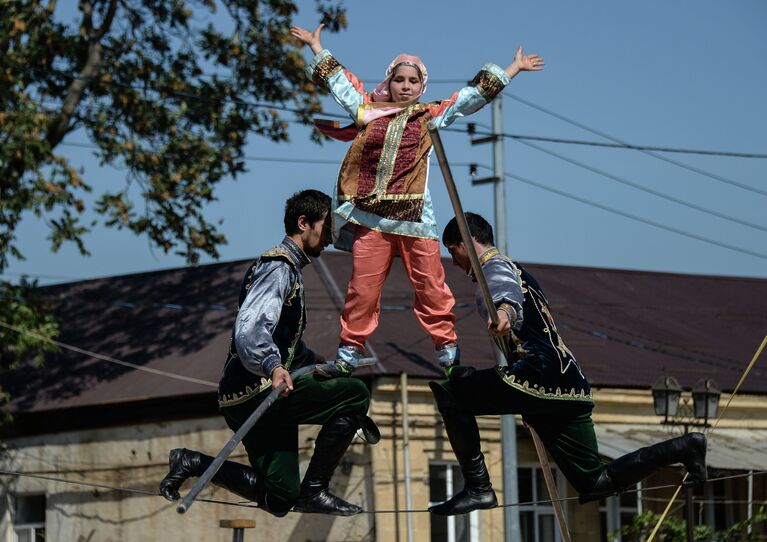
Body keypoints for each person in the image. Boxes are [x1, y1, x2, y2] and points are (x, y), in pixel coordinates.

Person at [290, 23, 545, 373]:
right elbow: (341, 85)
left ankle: (449, 357)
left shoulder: (430, 116)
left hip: (414, 220)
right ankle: (348, 355)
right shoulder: (368, 112)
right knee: (362, 290)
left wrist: (512, 69)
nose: (405, 86)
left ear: (421, 86)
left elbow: (468, 98)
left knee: (431, 289)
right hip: (370, 217)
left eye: (412, 81)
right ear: (389, 83)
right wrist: (317, 47)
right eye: (399, 80)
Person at [428, 212, 707, 515]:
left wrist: (505, 313)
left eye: (453, 250)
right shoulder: (523, 273)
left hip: (540, 376)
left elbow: (506, 294)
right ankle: (684, 447)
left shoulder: (494, 267)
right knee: (595, 482)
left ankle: (478, 488)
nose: (453, 262)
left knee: (452, 395)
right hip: (571, 387)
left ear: (467, 244)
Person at [159, 189, 378, 517]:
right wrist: (273, 366)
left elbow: (287, 344)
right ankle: (315, 490)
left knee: (280, 497)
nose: (330, 238)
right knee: (355, 394)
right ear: (303, 223)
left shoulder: (289, 270)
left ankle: (192, 462)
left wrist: (318, 364)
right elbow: (251, 330)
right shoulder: (279, 267)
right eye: (326, 228)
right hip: (258, 391)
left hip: (247, 396)